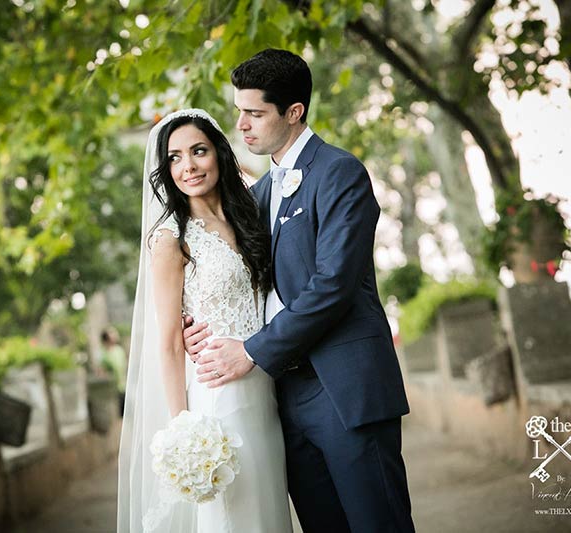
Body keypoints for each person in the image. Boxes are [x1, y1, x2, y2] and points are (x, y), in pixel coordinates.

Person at [184, 49, 415, 532]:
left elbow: (333, 284)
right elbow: (237, 275)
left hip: (344, 391)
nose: (241, 126)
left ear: (294, 113)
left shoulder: (340, 173)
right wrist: (195, 321)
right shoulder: (259, 192)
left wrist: (251, 350)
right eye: (239, 112)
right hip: (283, 401)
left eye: (255, 113)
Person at [117, 109, 293, 532]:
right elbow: (169, 342)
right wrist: (183, 427)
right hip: (218, 401)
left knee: (268, 513)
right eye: (175, 158)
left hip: (266, 394)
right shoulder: (170, 239)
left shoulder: (249, 217)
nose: (188, 166)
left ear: (219, 153)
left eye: (198, 151)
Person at [98, 327, 127, 415]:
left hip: (125, 386)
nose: (115, 334)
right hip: (114, 391)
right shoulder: (103, 354)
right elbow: (101, 372)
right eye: (112, 333)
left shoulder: (119, 350)